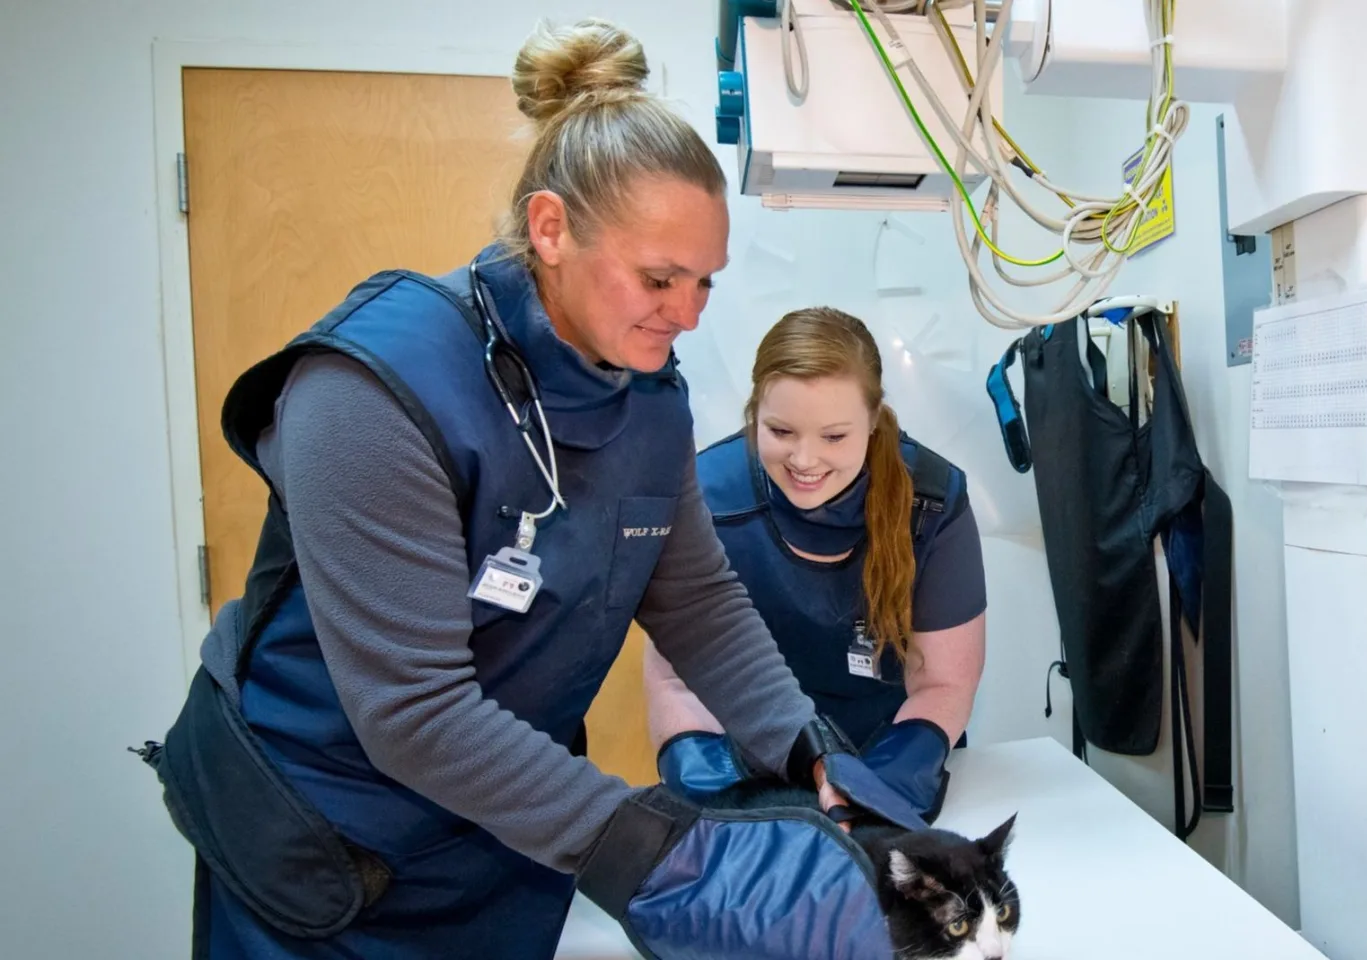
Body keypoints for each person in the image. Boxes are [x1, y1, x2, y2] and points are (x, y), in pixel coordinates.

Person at [137, 19, 925, 960]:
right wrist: (664, 853)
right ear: (550, 229)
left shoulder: (649, 403)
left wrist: (812, 749)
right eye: (660, 277)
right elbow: (416, 714)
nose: (686, 313)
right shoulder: (369, 393)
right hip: (327, 854)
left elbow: (698, 604)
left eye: (705, 283)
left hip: (505, 841)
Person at [644, 306, 989, 822]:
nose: (805, 461)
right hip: (749, 768)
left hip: (894, 754)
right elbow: (676, 681)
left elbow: (944, 682)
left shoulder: (934, 502)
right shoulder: (704, 496)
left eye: (834, 437)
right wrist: (721, 795)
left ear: (873, 421)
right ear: (754, 411)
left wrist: (876, 792)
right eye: (781, 431)